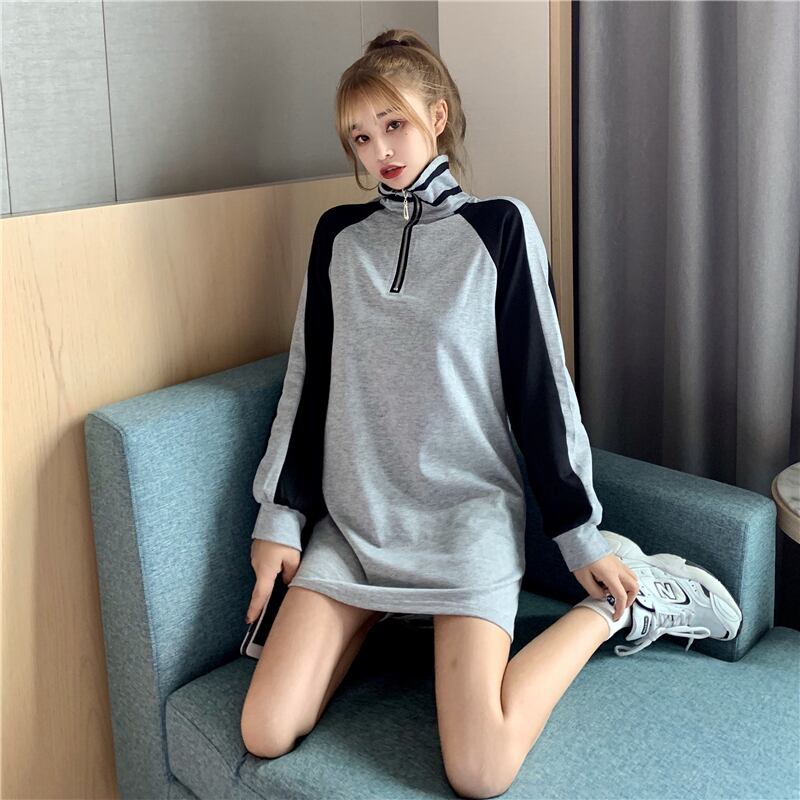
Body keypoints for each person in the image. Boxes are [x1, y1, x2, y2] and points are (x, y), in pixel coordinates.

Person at [240, 28, 743, 797]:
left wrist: (579, 535)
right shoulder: (338, 238)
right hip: (357, 526)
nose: (380, 150)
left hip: (464, 522)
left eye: (394, 123)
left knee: (479, 770)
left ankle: (624, 605)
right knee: (265, 730)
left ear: (437, 116)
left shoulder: (500, 228)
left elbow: (543, 391)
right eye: (361, 136)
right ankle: (377, 613)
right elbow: (309, 383)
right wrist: (279, 519)